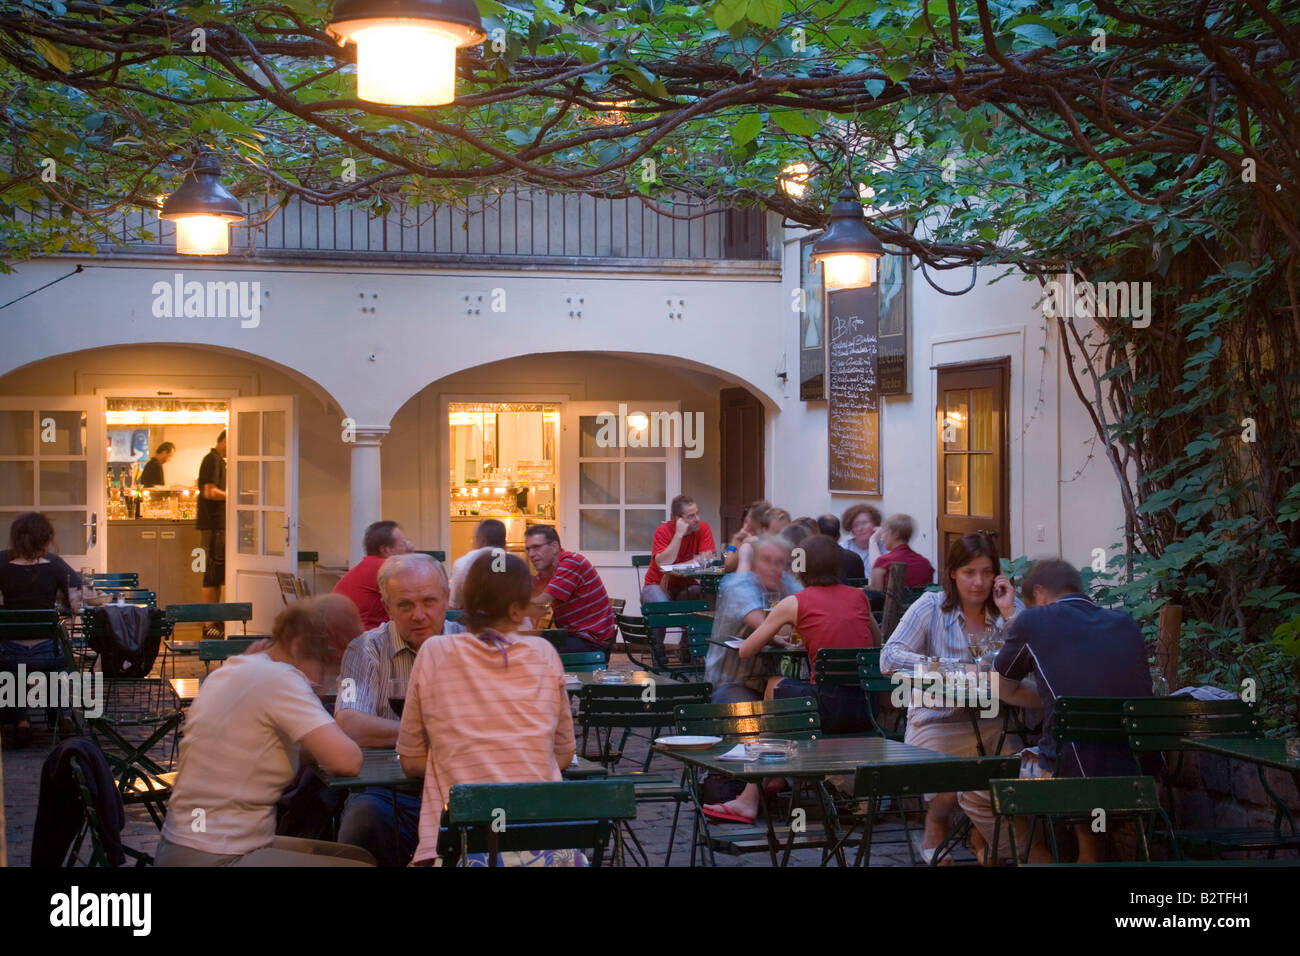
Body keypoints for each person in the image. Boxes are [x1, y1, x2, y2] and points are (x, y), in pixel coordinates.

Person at [959, 559, 1151, 864]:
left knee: (973, 789)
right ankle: (1078, 854)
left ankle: (1039, 860)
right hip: (1141, 774)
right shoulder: (1124, 622)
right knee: (1078, 755)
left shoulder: (1035, 620)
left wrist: (1051, 702)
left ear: (1039, 593)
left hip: (1070, 776)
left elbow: (1000, 688)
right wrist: (1056, 701)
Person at [154, 599, 373, 866]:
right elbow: (348, 761)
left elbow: (267, 749)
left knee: (355, 855)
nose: (326, 680)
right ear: (298, 644)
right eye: (325, 663)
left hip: (186, 844)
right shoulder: (280, 678)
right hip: (217, 854)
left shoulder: (239, 667)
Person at [397, 551, 575, 866]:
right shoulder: (545, 654)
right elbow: (562, 756)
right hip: (545, 846)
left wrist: (460, 757)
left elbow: (410, 761)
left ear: (462, 602)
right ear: (519, 607)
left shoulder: (434, 653)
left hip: (461, 850)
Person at [879, 532, 1037, 863]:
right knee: (950, 784)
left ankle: (982, 835)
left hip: (994, 719)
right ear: (952, 572)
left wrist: (1010, 613)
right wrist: (955, 668)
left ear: (998, 574)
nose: (978, 582)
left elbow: (1037, 659)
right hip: (936, 719)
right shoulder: (930, 607)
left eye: (986, 571)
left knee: (1008, 778)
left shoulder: (1008, 610)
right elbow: (889, 658)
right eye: (969, 572)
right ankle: (936, 825)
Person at [710, 537, 881, 822]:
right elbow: (875, 646)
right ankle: (775, 778)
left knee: (774, 685)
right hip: (867, 707)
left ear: (801, 568)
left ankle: (753, 793)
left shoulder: (794, 602)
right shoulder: (859, 597)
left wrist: (788, 634)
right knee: (788, 689)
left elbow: (746, 650)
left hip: (829, 710)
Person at [334, 552, 462, 867]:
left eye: (429, 602)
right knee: (362, 822)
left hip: (461, 785)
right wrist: (424, 735)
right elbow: (348, 721)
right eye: (405, 605)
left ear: (446, 599)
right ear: (387, 606)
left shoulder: (471, 644)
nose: (418, 615)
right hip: (389, 790)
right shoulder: (365, 649)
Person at [0, 513, 85, 746]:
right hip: (49, 653)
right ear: (46, 538)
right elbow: (76, 601)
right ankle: (65, 715)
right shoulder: (56, 564)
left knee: (13, 667)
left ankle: (21, 721)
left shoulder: (2, 562)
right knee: (63, 663)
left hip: (10, 653)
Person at [703, 535, 802, 706]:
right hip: (732, 682)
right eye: (766, 560)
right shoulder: (739, 585)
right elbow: (768, 627)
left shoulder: (786, 582)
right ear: (754, 563)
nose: (773, 567)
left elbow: (809, 613)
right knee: (753, 723)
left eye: (779, 562)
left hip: (771, 679)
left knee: (807, 712)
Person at [524, 525, 617, 658]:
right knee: (527, 645)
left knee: (530, 652)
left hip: (590, 641)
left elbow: (542, 600)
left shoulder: (571, 562)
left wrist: (507, 604)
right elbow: (527, 594)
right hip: (574, 637)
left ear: (555, 546)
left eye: (536, 547)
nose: (531, 554)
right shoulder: (547, 571)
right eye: (528, 549)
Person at [333, 519, 414, 630]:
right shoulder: (384, 568)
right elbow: (414, 595)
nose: (407, 547)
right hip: (366, 641)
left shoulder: (369, 565)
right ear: (386, 550)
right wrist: (409, 558)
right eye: (403, 543)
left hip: (346, 636)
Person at [642, 494, 717, 602]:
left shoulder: (703, 528)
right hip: (657, 585)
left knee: (709, 596)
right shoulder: (663, 531)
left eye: (697, 513)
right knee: (661, 603)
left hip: (688, 584)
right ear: (678, 519)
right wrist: (678, 534)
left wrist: (670, 572)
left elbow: (706, 561)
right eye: (691, 516)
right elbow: (663, 563)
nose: (697, 519)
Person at [196, 430, 227, 637]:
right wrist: (234, 495)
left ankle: (214, 620)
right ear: (225, 440)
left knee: (216, 574)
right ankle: (209, 624)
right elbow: (209, 491)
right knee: (211, 574)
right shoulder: (212, 460)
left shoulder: (218, 460)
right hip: (213, 525)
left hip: (216, 525)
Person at [449, 518, 506, 609]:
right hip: (509, 619)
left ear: (481, 541)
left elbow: (454, 604)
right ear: (504, 543)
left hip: (476, 620)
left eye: (474, 539)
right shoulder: (515, 563)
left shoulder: (462, 562)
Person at [867, 513, 935, 590]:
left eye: (885, 531)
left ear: (896, 534)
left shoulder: (884, 562)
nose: (882, 537)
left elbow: (875, 596)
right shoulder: (925, 563)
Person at [722, 499, 770, 573]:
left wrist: (735, 541)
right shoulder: (747, 539)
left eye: (747, 521)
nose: (745, 526)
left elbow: (728, 567)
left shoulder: (749, 542)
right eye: (744, 522)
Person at [817, 514, 866, 583]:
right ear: (839, 536)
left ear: (816, 534)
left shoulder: (807, 557)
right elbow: (860, 588)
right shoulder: (854, 558)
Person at [841, 503, 885, 570]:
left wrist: (873, 541)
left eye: (864, 523)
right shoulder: (844, 548)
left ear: (875, 524)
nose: (860, 528)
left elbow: (878, 571)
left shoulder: (885, 547)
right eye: (855, 525)